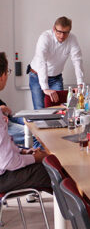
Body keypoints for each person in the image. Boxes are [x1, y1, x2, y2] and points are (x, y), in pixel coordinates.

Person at [0, 52, 51, 195]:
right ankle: (79, 214)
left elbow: (3, 151)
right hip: (3, 177)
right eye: (8, 72)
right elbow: (8, 162)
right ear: (3, 75)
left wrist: (23, 151)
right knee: (53, 170)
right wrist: (35, 158)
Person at [28, 16, 84, 109]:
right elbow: (42, 62)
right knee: (40, 111)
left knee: (60, 109)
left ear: (69, 31)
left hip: (56, 78)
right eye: (59, 32)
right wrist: (45, 88)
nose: (62, 36)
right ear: (54, 28)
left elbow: (77, 61)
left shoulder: (72, 39)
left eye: (65, 33)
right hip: (37, 76)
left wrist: (80, 84)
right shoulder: (45, 38)